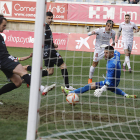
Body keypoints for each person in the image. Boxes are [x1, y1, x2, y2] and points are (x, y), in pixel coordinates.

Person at [0, 14, 55, 98]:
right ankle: (41, 88)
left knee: (18, 82)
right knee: (23, 72)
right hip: (4, 60)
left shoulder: (0, 36)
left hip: (4, 60)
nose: (5, 27)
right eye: (3, 25)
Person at [61, 46, 137, 99]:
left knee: (90, 86)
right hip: (116, 81)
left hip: (110, 82)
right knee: (113, 88)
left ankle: (70, 92)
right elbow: (117, 51)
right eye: (104, 52)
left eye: (107, 53)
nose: (105, 55)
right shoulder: (116, 55)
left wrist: (102, 89)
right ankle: (126, 95)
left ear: (111, 54)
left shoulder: (111, 64)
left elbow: (109, 81)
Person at [26, 11, 75, 91]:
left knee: (50, 71)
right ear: (44, 18)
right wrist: (53, 44)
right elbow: (45, 39)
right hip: (49, 50)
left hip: (45, 51)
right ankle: (67, 86)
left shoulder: (44, 26)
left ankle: (30, 75)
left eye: (51, 18)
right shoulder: (44, 26)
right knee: (63, 65)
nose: (50, 20)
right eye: (48, 18)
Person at [88, 20, 116, 84]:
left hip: (107, 49)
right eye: (108, 26)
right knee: (95, 63)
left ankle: (108, 78)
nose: (109, 27)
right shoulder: (100, 30)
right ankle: (90, 78)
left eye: (110, 26)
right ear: (106, 25)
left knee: (111, 62)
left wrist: (114, 42)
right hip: (99, 49)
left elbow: (113, 39)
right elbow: (89, 33)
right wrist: (91, 33)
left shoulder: (113, 32)